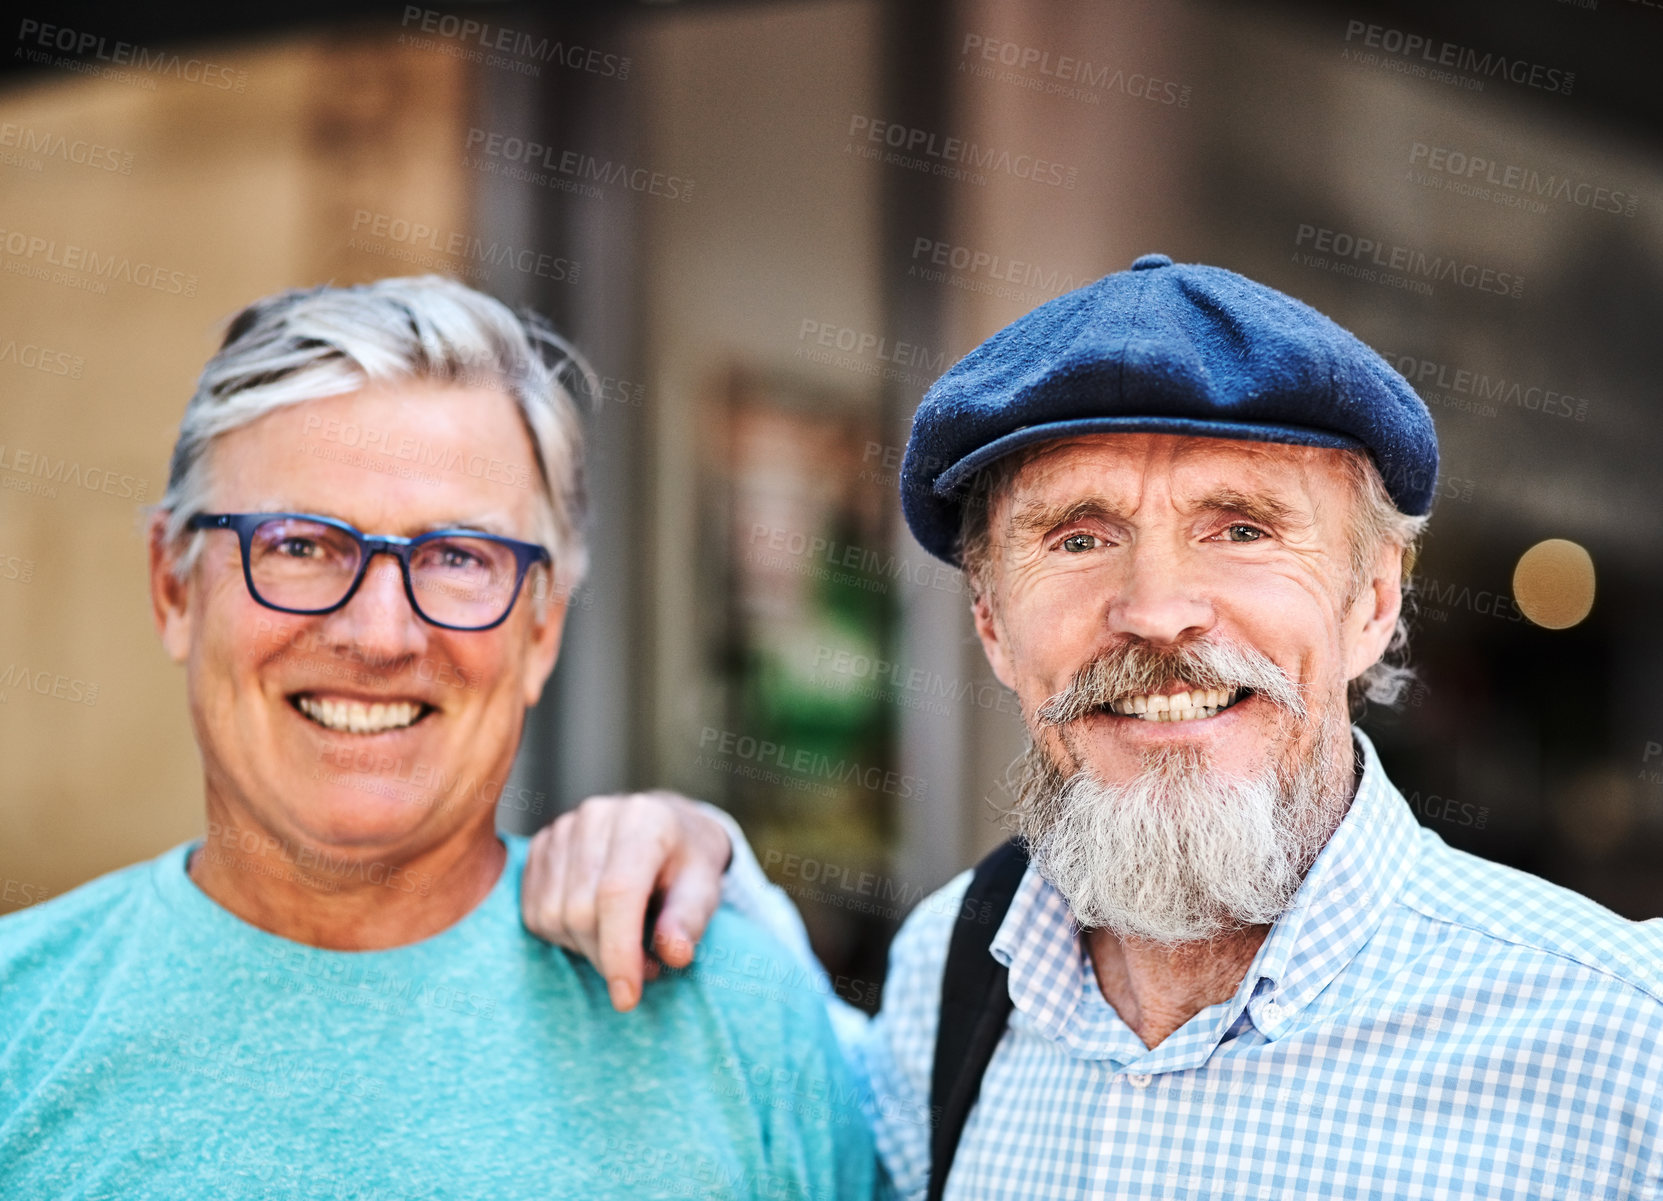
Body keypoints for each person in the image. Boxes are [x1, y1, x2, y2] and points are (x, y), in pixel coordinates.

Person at [521, 253, 1663, 1199]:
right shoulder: (948, 978)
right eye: (1077, 536)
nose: (1157, 609)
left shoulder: (1620, 1044)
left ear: (1372, 600)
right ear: (991, 624)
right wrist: (679, 840)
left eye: (1242, 528)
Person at [0, 276, 873, 1200]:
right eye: (300, 544)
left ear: (543, 631)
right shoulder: (20, 1021)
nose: (379, 635)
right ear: (172, 589)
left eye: (458, 557)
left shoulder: (738, 1023)